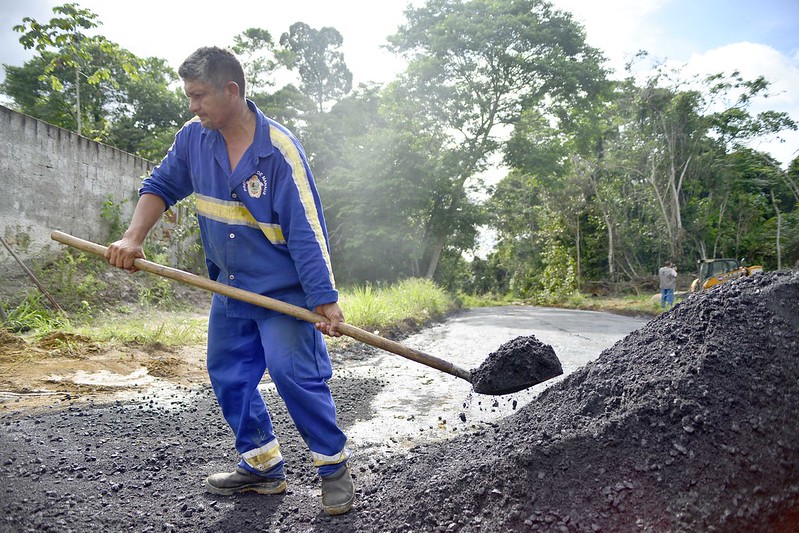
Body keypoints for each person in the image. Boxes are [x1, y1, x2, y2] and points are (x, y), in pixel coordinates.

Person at [105, 46, 354, 516]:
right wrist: (132, 238)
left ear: (231, 91)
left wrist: (323, 298)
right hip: (229, 286)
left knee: (293, 374)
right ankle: (262, 466)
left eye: (199, 95)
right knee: (229, 374)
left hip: (282, 293)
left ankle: (333, 468)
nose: (192, 105)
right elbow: (160, 186)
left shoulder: (278, 152)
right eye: (189, 96)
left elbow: (306, 230)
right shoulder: (193, 140)